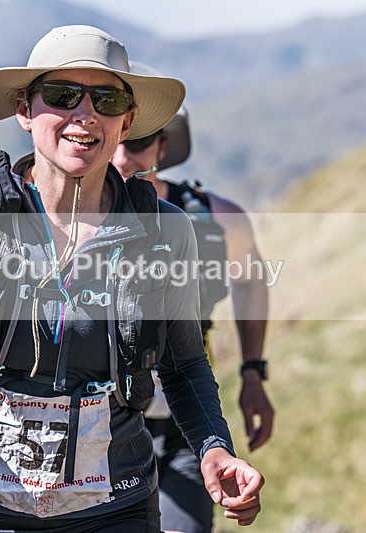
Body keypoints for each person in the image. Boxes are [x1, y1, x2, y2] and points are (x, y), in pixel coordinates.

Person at [0, 26, 263, 532]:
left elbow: (185, 364)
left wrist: (214, 450)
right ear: (24, 110)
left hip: (116, 509)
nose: (85, 115)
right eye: (62, 96)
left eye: (107, 100)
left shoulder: (166, 230)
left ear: (126, 122)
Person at [111, 62, 274, 533]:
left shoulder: (216, 219)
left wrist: (253, 372)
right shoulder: (65, 222)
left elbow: (250, 281)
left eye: (138, 141)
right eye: (115, 139)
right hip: (97, 429)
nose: (123, 157)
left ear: (161, 147)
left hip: (188, 425)